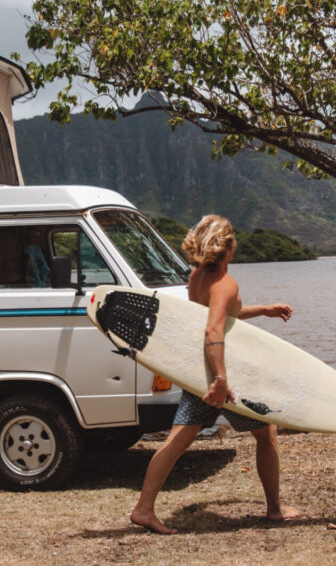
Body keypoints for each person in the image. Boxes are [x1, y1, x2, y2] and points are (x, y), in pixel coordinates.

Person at [129, 214, 300, 534]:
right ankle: (275, 509)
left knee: (177, 439)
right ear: (230, 247)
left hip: (200, 374)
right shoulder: (225, 283)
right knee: (266, 433)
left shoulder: (196, 278)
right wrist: (221, 381)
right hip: (221, 377)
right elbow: (213, 330)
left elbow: (224, 315)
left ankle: (144, 508)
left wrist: (263, 310)